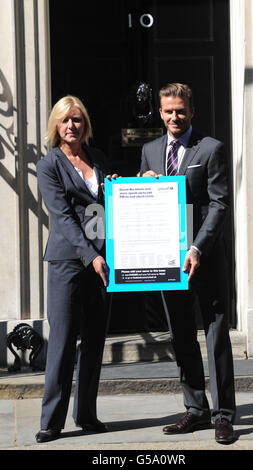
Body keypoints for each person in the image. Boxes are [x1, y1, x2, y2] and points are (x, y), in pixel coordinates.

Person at [140, 83, 236, 443]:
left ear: (192, 111)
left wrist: (197, 248)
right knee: (181, 335)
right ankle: (196, 409)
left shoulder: (210, 149)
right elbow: (145, 206)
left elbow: (219, 204)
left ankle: (224, 415)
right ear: (160, 113)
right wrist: (140, 183)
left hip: (204, 258)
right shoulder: (149, 151)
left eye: (181, 110)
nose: (174, 117)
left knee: (216, 337)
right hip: (167, 261)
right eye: (168, 111)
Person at [35, 95, 116, 443]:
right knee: (64, 340)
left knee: (95, 340)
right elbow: (64, 217)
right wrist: (90, 255)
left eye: (78, 119)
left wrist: (116, 186)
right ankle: (51, 421)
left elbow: (107, 206)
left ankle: (87, 415)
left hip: (101, 259)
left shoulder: (97, 159)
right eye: (66, 120)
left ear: (86, 124)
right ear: (56, 125)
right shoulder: (48, 165)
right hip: (68, 260)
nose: (72, 125)